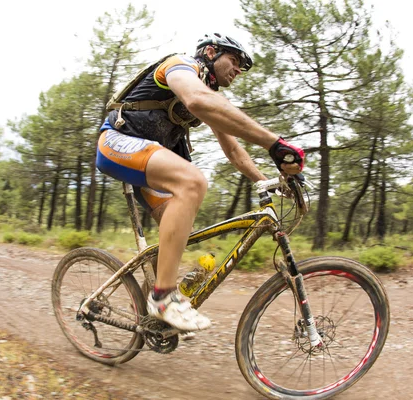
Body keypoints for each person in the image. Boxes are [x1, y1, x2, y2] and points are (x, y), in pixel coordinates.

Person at [96, 33, 304, 332]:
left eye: (241, 67)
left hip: (149, 160)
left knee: (177, 234)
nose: (237, 70)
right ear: (210, 52)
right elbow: (196, 99)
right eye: (234, 61)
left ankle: (149, 313)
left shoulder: (211, 98)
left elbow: (233, 151)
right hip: (118, 143)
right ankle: (164, 298)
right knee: (192, 182)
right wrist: (274, 144)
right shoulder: (180, 66)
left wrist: (267, 180)